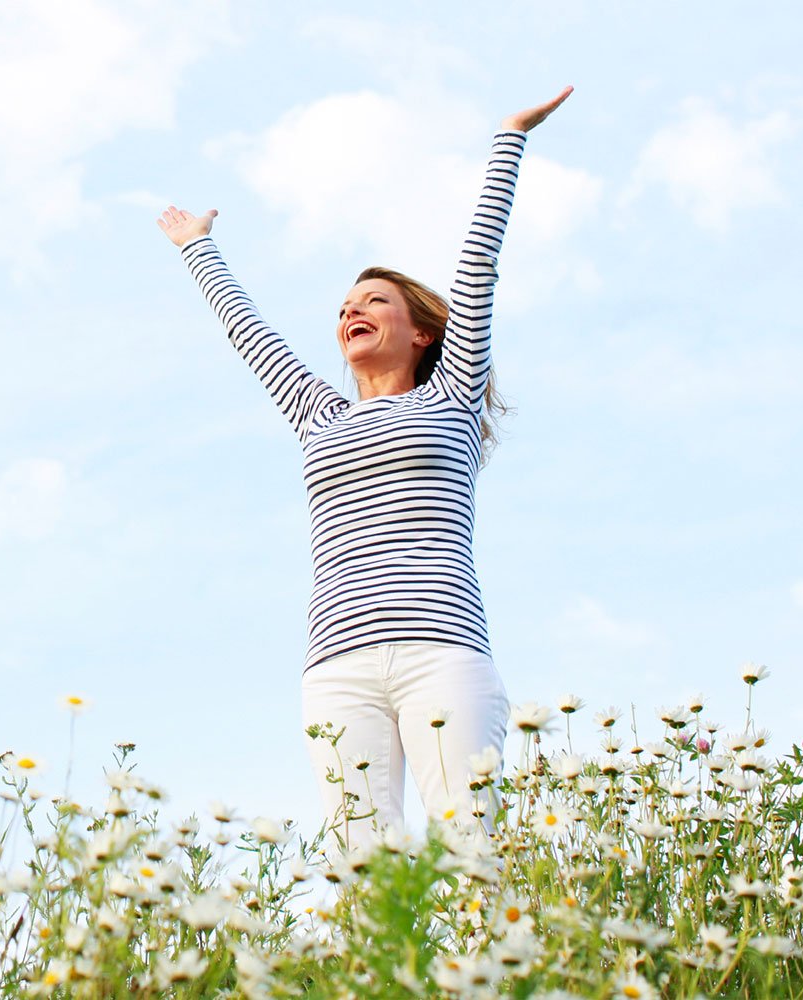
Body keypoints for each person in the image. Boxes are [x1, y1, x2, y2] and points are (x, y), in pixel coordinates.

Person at [156, 88, 572, 848]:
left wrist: (508, 139)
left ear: (420, 333)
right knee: (362, 861)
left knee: (469, 846)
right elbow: (249, 332)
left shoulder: (451, 394)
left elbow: (478, 269)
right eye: (346, 306)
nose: (352, 311)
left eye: (374, 301)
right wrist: (197, 246)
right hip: (336, 662)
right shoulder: (319, 413)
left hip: (441, 648)